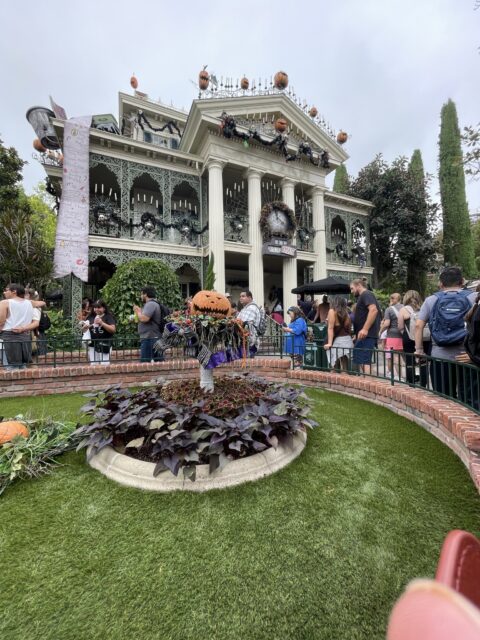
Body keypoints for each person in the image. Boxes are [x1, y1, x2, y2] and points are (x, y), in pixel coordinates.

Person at [415, 267, 476, 399]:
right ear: (462, 281)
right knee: (470, 400)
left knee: (444, 399)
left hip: (440, 357)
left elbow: (418, 325)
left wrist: (419, 350)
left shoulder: (431, 300)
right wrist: (475, 354)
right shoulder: (474, 298)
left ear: (441, 284)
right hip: (467, 357)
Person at [397, 290, 431, 386]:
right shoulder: (424, 308)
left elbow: (400, 326)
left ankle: (411, 383)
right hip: (424, 337)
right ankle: (424, 384)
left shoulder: (403, 310)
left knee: (410, 361)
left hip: (409, 338)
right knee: (423, 361)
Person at [0, 283, 37, 369]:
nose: (4, 292)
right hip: (25, 338)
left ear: (14, 292)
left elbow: (1, 321)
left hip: (9, 337)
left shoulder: (5, 303)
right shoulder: (29, 303)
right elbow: (41, 303)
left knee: (10, 367)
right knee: (22, 366)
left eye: (6, 290)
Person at [350, 278, 380, 374]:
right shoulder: (363, 296)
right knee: (361, 359)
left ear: (358, 285)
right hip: (363, 335)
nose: (351, 291)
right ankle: (367, 382)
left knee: (364, 360)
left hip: (367, 334)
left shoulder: (366, 294)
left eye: (352, 288)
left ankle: (369, 383)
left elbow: (373, 310)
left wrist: (365, 329)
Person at [133, 286, 169, 362]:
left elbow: (144, 318)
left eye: (141, 294)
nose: (141, 297)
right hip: (155, 337)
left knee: (145, 364)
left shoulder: (150, 304)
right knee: (159, 363)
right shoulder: (154, 304)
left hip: (149, 338)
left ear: (145, 294)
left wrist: (138, 312)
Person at [323, 296, 354, 370]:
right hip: (347, 341)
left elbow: (330, 328)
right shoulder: (346, 313)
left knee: (334, 367)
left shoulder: (332, 311)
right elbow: (349, 329)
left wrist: (330, 343)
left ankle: (335, 381)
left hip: (338, 341)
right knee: (345, 367)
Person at [82, 299, 116, 365]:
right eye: (95, 307)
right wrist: (85, 327)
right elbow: (84, 330)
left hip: (104, 344)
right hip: (93, 344)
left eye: (99, 307)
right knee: (94, 364)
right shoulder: (90, 317)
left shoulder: (108, 317)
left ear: (104, 308)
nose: (96, 309)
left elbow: (113, 329)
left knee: (104, 364)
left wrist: (102, 323)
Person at [379, 293, 404, 378]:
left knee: (394, 356)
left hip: (393, 335)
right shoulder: (405, 307)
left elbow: (387, 323)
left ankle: (399, 377)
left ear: (393, 299)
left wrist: (380, 331)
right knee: (401, 355)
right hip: (403, 335)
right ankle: (403, 375)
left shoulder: (389, 309)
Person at [237, 290, 262, 358]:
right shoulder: (245, 308)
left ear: (250, 298)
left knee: (247, 365)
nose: (241, 298)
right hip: (245, 342)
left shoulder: (251, 308)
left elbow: (243, 323)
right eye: (240, 296)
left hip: (249, 343)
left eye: (243, 296)